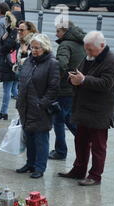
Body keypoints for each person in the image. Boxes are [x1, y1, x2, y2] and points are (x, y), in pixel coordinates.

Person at [59, 31, 114, 186]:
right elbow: (77, 73)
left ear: (102, 45)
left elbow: (106, 84)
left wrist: (84, 80)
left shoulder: (112, 61)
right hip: (83, 109)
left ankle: (95, 176)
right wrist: (71, 79)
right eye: (86, 49)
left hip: (100, 111)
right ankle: (78, 170)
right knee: (80, 142)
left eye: (90, 49)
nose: (87, 52)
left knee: (98, 147)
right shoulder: (89, 57)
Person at [15, 34, 59, 179]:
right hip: (26, 106)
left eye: (37, 48)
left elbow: (53, 87)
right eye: (32, 47)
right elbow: (22, 79)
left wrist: (42, 103)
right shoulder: (29, 60)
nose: (33, 50)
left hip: (40, 108)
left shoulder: (52, 63)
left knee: (41, 138)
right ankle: (30, 163)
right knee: (29, 137)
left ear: (45, 47)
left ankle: (40, 167)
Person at [48, 21, 86, 160]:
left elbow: (61, 65)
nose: (56, 34)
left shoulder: (65, 45)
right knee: (66, 117)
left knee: (61, 119)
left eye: (58, 31)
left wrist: (58, 78)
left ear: (65, 31)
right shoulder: (81, 42)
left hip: (65, 88)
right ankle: (83, 141)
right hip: (77, 86)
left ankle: (61, 151)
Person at [0, 11, 18, 121]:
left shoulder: (13, 32)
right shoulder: (10, 32)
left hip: (10, 65)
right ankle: (4, 112)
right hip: (10, 64)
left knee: (8, 90)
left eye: (6, 21)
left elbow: (8, 46)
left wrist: (2, 48)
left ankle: (3, 112)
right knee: (13, 90)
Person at [11, 21, 38, 100]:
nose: (19, 32)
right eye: (18, 30)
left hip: (31, 81)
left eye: (22, 30)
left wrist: (24, 53)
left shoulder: (33, 43)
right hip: (23, 78)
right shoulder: (22, 41)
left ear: (30, 30)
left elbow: (31, 63)